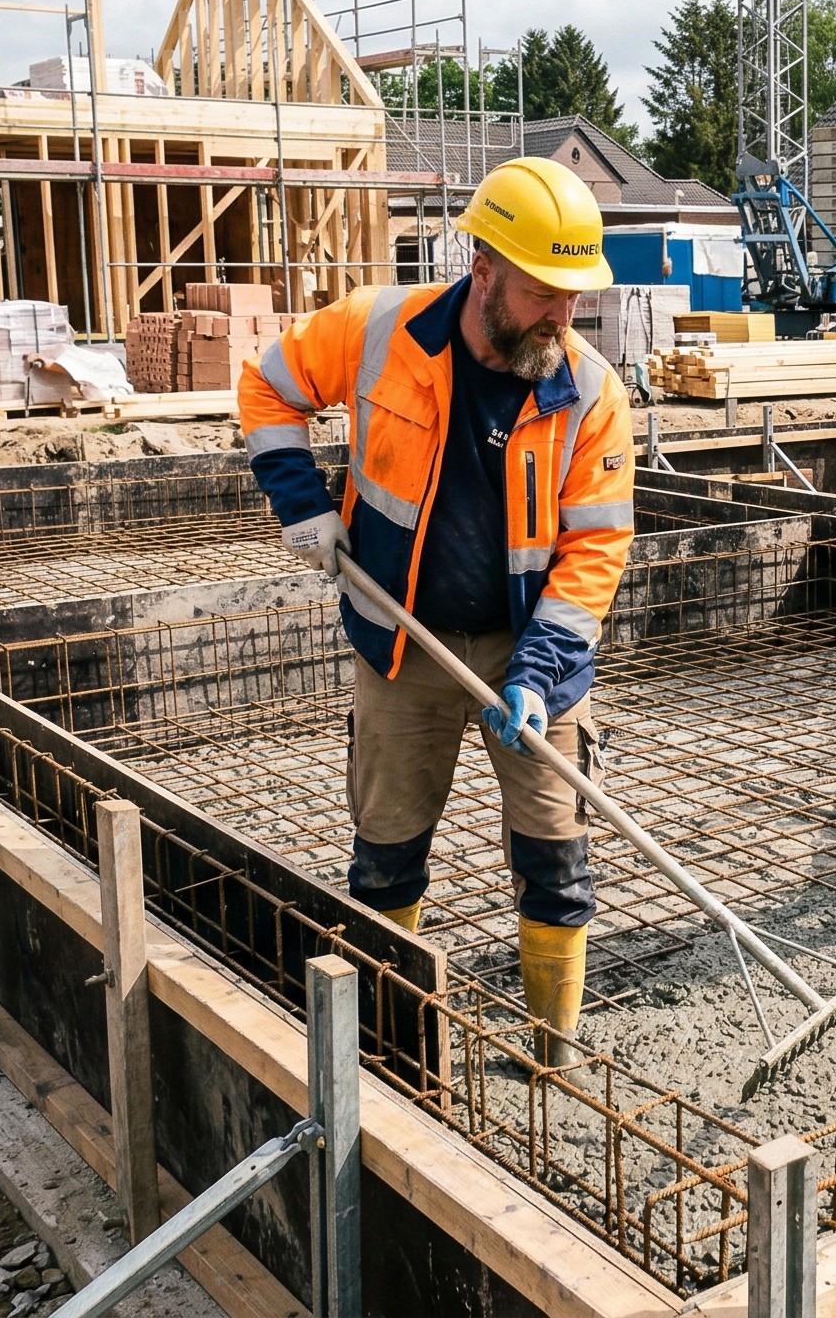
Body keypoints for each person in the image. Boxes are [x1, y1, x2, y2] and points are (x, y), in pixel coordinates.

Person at [236, 155, 634, 1062]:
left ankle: (552, 1045)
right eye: (544, 293)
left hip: (532, 654)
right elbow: (268, 384)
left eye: (576, 298)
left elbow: (594, 554)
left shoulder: (589, 395)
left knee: (556, 852)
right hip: (401, 641)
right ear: (484, 268)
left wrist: (538, 675)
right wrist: (301, 503)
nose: (562, 317)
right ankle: (393, 1036)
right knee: (386, 850)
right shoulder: (380, 329)